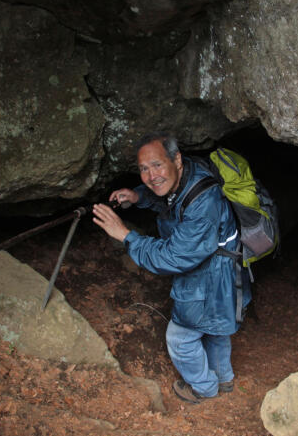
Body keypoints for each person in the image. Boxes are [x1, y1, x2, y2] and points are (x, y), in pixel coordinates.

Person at [91, 133, 250, 404]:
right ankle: (224, 380)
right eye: (143, 169)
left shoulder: (204, 202)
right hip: (224, 268)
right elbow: (170, 198)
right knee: (216, 328)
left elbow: (173, 257)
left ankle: (204, 388)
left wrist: (125, 236)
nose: (151, 176)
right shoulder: (188, 172)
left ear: (176, 159)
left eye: (157, 165)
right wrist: (137, 196)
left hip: (209, 274)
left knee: (181, 339)